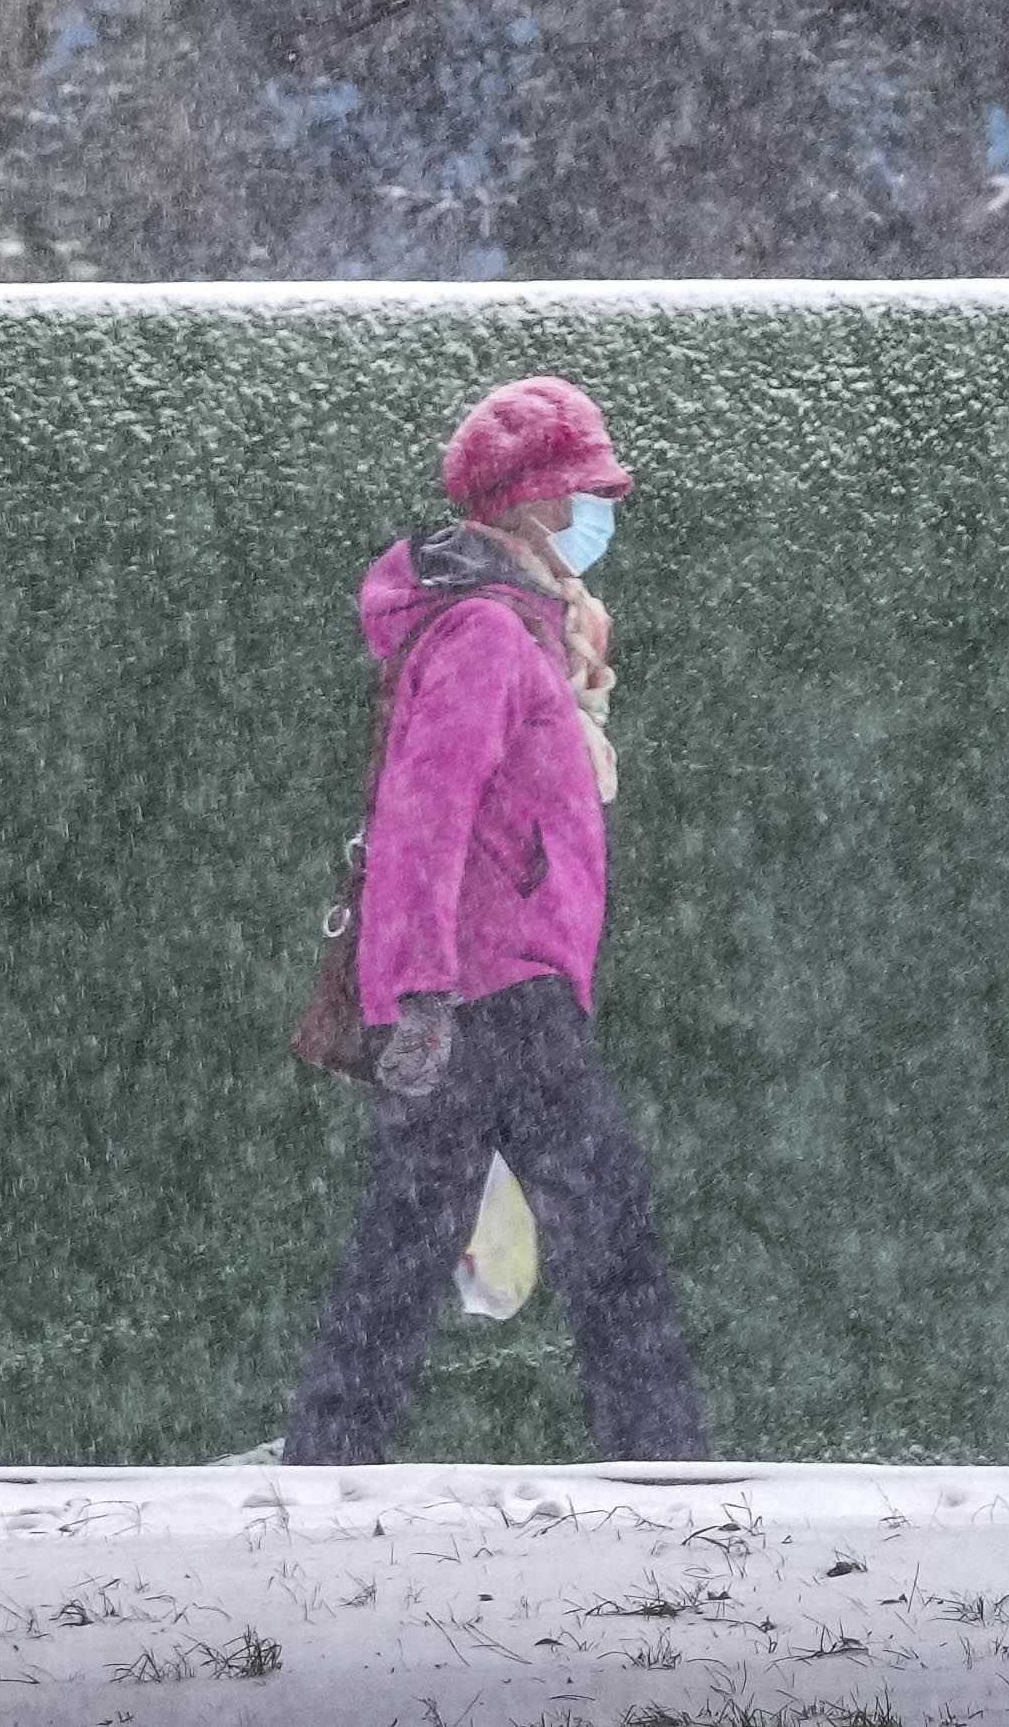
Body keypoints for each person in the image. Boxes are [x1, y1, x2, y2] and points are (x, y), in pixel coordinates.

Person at [283, 372, 709, 1461]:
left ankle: (329, 1459)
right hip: (490, 991)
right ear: (535, 501)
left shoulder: (519, 627)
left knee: (410, 1241)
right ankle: (661, 1460)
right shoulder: (484, 629)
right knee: (601, 1228)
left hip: (483, 986)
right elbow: (422, 815)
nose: (600, 510)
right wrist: (418, 991)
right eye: (586, 489)